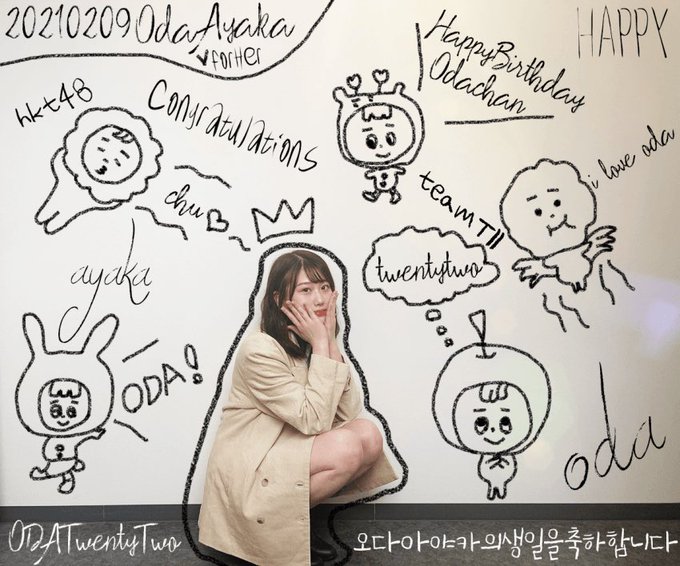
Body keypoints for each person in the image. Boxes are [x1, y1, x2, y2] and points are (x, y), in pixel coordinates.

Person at [199, 249, 398, 565]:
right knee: (347, 446)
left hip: (285, 449)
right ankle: (273, 531)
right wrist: (320, 343)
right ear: (280, 299)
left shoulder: (308, 341)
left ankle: (288, 527)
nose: (319, 299)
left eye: (324, 287)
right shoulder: (259, 349)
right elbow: (314, 420)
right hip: (253, 463)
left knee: (368, 434)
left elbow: (346, 413)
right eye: (306, 290)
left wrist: (329, 341)